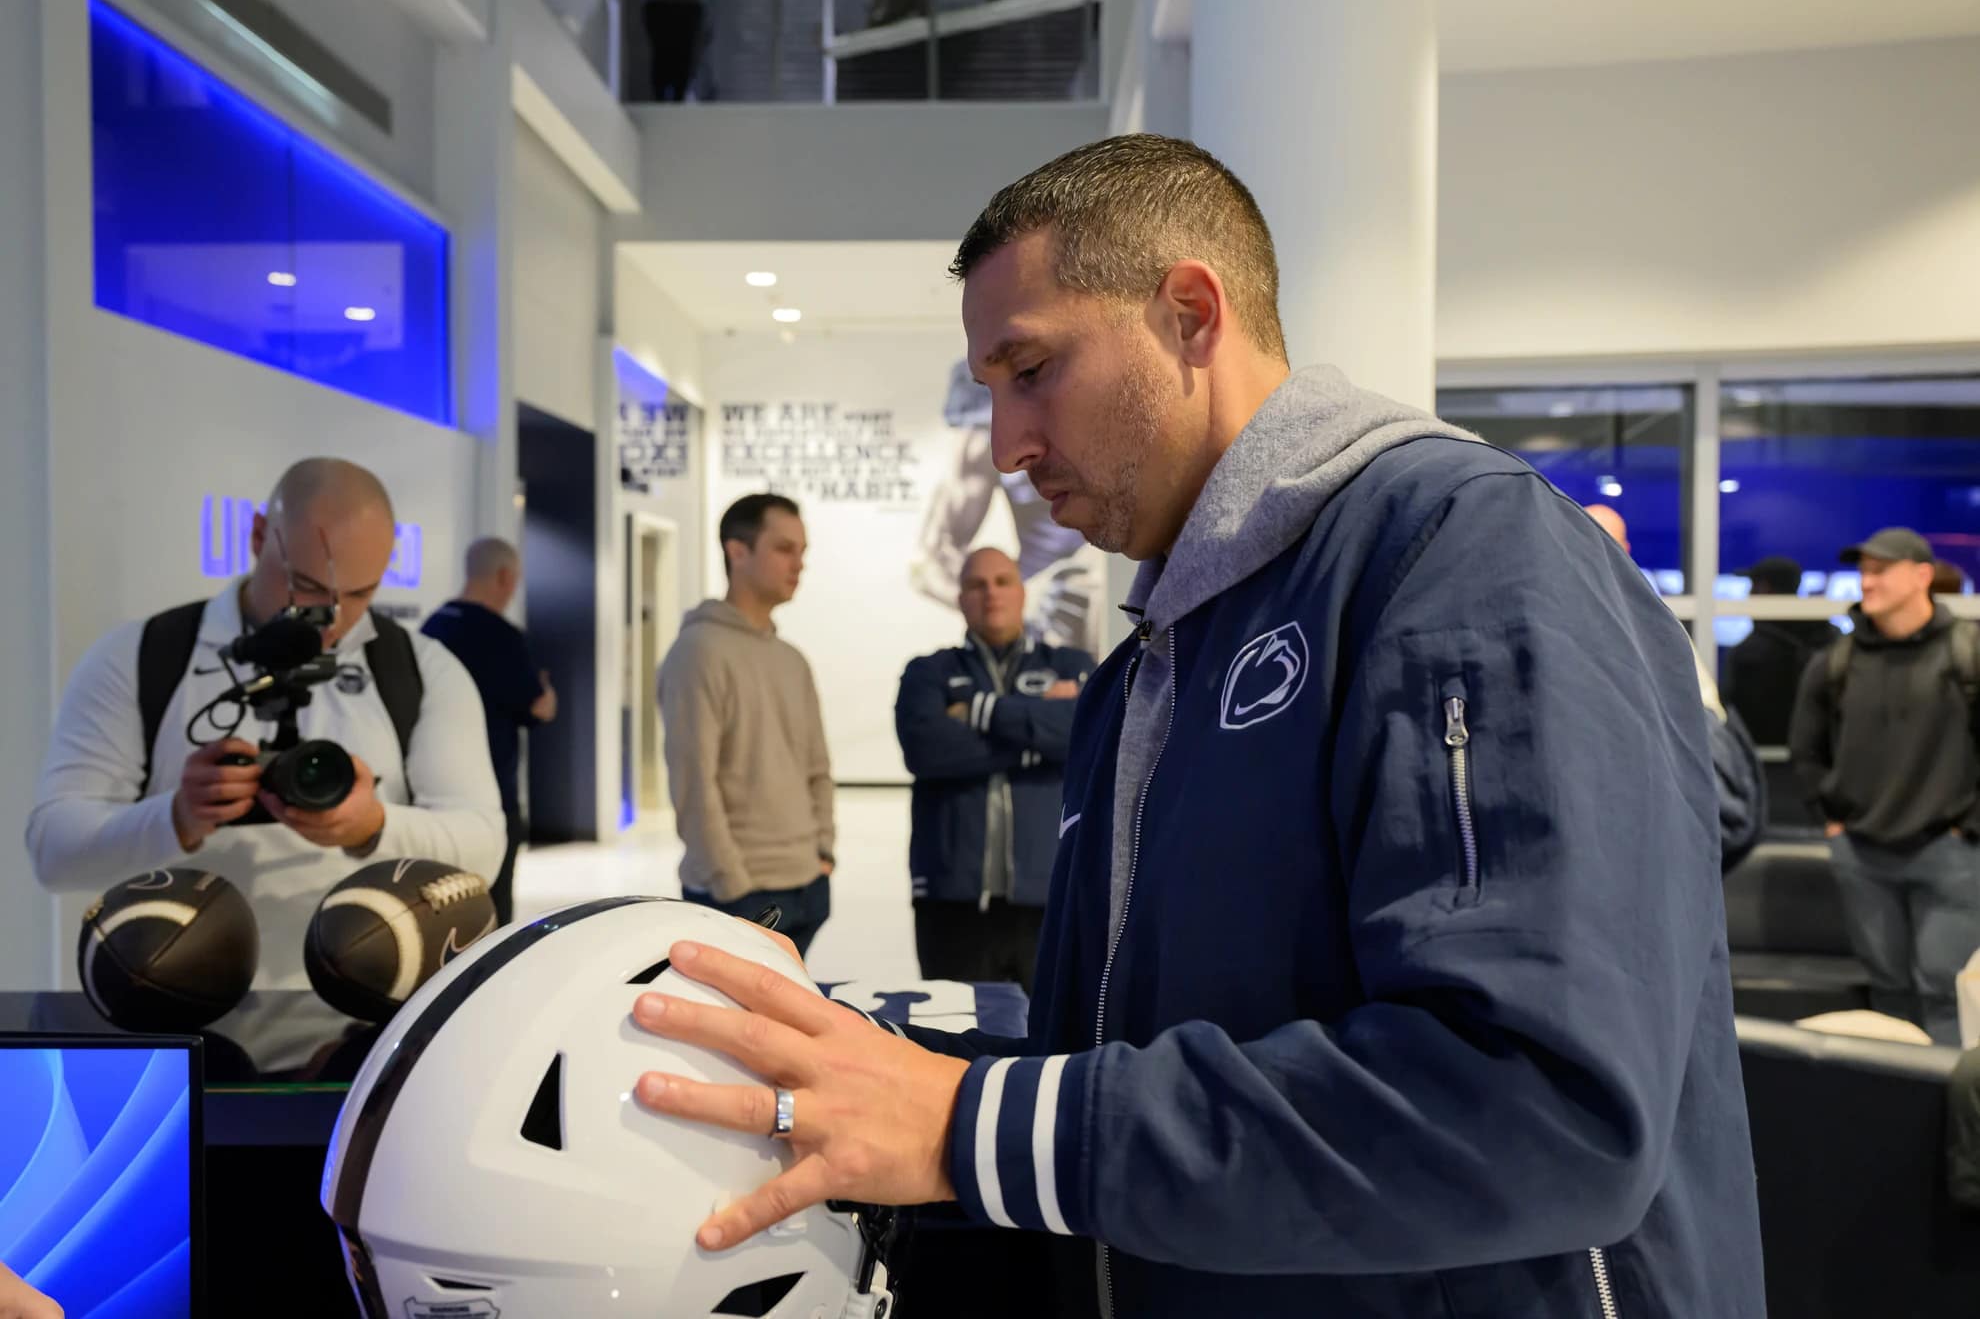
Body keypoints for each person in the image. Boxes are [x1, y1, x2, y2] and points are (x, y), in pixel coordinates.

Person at [624, 135, 1764, 1318]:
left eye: (1032, 370)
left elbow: (1539, 1110)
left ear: (1188, 313)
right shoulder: (1145, 668)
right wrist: (885, 1072)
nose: (1009, 448)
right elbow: (1136, 1052)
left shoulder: (1462, 554)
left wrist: (969, 1125)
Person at [28, 459, 505, 1063]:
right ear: (258, 537)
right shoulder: (140, 658)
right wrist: (176, 816)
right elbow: (53, 852)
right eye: (306, 586)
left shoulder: (422, 669)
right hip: (167, 1023)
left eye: (359, 594)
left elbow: (485, 848)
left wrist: (372, 827)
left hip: (371, 1028)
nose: (331, 619)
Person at [1789, 526, 1980, 1044]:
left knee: (1946, 992)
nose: (1866, 582)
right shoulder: (1835, 660)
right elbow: (1805, 751)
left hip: (1951, 854)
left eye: (1880, 570)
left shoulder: (1967, 651)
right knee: (1888, 994)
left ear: (1921, 575)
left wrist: (1969, 828)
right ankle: (1901, 1113)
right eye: (1863, 571)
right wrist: (1833, 823)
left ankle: (1950, 1119)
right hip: (1863, 854)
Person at [895, 547, 1094, 992]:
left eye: (1003, 581)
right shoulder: (928, 673)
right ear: (960, 598)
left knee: (1052, 1044)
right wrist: (1035, 736)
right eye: (976, 585)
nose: (991, 594)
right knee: (954, 1041)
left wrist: (980, 711)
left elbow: (1084, 738)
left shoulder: (1069, 666)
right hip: (953, 902)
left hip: (1049, 899)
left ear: (1022, 592)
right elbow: (926, 752)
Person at [658, 494, 835, 956]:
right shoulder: (699, 652)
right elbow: (694, 782)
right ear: (738, 552)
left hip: (806, 884)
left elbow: (817, 765)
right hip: (738, 892)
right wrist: (730, 881)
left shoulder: (791, 659)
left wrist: (823, 855)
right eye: (783, 548)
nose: (799, 564)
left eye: (802, 551)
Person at [1583, 503, 1767, 869]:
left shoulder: (1645, 618)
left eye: (1605, 538)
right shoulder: (1589, 610)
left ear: (1625, 549)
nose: (1593, 548)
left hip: (1662, 810)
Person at [909, 361, 1109, 654]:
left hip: (1109, 601)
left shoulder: (1101, 385)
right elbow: (928, 562)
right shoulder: (984, 405)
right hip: (1041, 627)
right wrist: (1013, 605)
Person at [421, 537, 557, 924]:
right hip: (494, 793)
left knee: (442, 902)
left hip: (434, 791)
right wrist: (546, 690)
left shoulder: (433, 628)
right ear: (503, 577)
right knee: (492, 905)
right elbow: (538, 708)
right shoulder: (503, 638)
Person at [1722, 555, 1837, 747]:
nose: (1748, 596)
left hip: (1762, 760)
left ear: (1765, 589)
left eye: (1752, 588)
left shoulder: (1748, 654)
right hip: (1816, 759)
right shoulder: (1828, 638)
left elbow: (1733, 717)